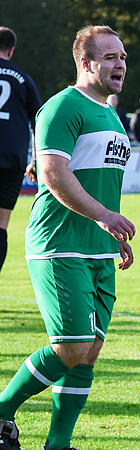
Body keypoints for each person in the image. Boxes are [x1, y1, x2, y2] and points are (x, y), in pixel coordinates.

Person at [0, 25, 134, 450]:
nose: (120, 64)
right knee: (72, 346)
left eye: (123, 57)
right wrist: (104, 216)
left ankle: (58, 445)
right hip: (58, 243)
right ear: (85, 62)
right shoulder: (62, 106)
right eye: (110, 57)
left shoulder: (111, 113)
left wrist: (112, 231)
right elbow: (53, 174)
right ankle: (1, 408)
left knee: (89, 351)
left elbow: (101, 182)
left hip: (98, 248)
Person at [0, 26, 41, 275]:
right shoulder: (23, 78)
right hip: (12, 160)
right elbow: (39, 120)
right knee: (1, 226)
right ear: (12, 50)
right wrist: (36, 159)